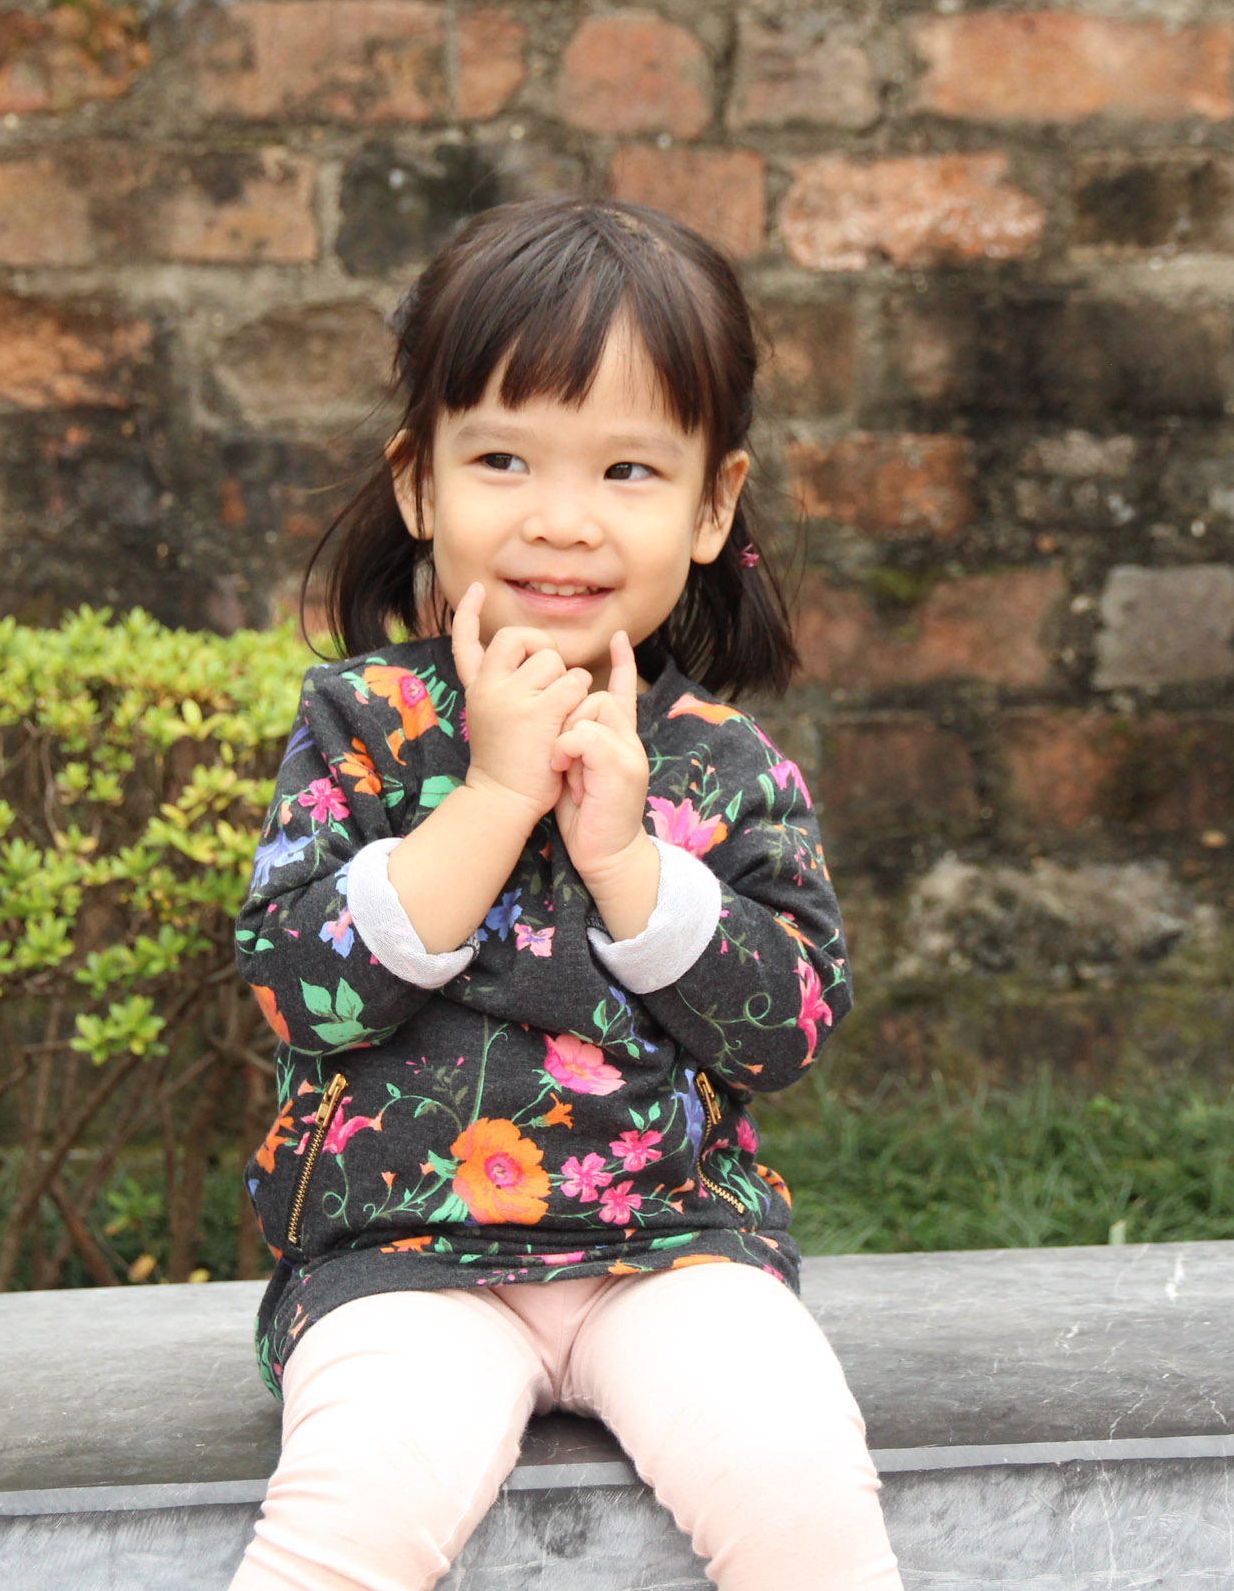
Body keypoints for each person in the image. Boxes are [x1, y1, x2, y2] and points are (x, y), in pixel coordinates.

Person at [227, 195, 900, 1591]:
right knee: (356, 1509)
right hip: (400, 1261)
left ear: (714, 505)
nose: (561, 520)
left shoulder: (723, 766)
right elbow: (300, 992)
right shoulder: (364, 727)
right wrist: (489, 798)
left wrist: (631, 866)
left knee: (798, 1484)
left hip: (672, 1252)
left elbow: (789, 1024)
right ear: (420, 484)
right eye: (502, 458)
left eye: (629, 470)